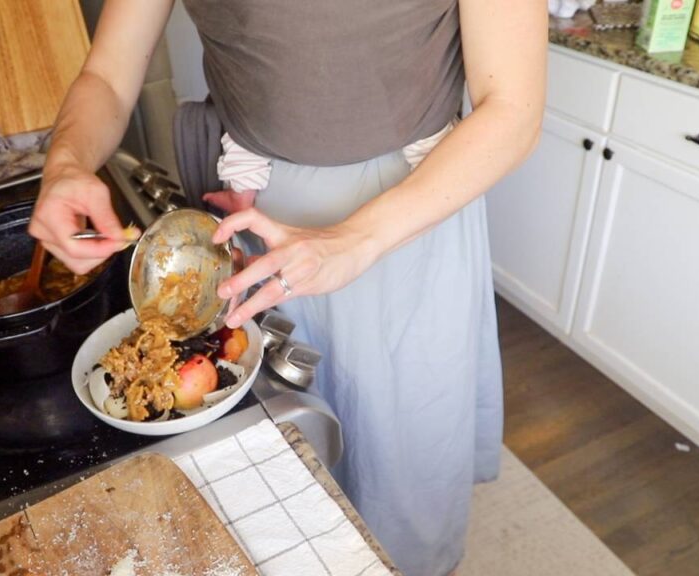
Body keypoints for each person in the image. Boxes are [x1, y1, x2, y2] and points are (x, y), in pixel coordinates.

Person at [30, 2, 546, 574]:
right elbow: (107, 73)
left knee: (402, 465)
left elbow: (514, 109)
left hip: (408, 218)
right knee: (270, 463)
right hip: (252, 215)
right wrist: (67, 163)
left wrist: (353, 239)